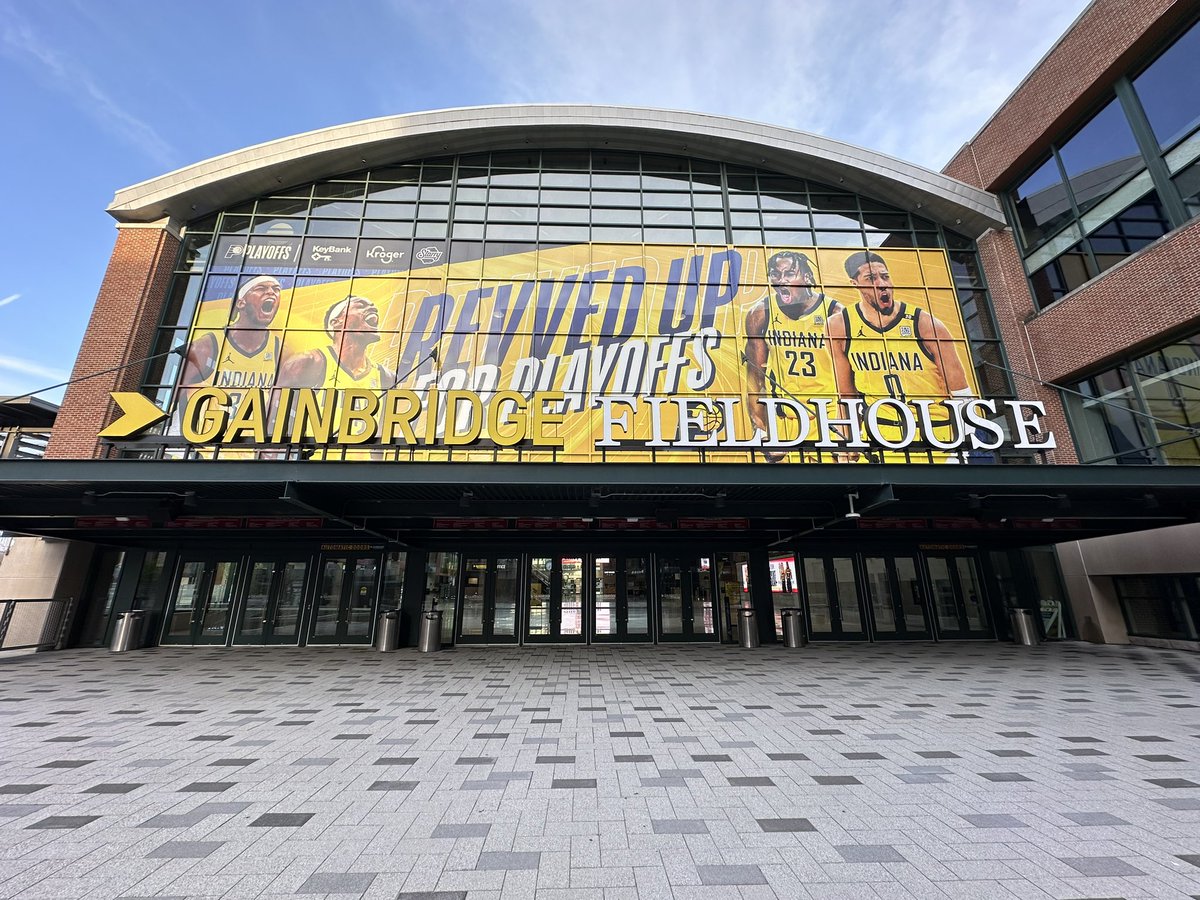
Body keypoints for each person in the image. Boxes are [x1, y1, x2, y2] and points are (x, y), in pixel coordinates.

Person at [827, 250, 972, 455]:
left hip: (938, 438)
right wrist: (847, 442)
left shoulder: (925, 324)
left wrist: (968, 444)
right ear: (855, 283)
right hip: (881, 439)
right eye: (871, 278)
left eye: (885, 276)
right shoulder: (840, 325)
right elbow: (847, 394)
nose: (881, 283)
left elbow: (962, 395)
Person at [744, 250, 841, 462]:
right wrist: (760, 426)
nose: (782, 280)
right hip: (785, 417)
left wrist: (852, 427)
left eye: (789, 273)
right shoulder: (760, 313)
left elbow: (852, 377)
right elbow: (755, 375)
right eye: (776, 275)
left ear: (806, 277)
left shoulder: (834, 313)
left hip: (829, 415)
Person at [179, 275, 284, 394]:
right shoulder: (206, 346)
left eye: (276, 289)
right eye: (261, 288)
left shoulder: (280, 350)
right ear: (240, 303)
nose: (271, 292)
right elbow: (176, 395)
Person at [277, 295, 396, 390]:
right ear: (336, 322)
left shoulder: (386, 377)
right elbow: (273, 414)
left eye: (372, 306)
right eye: (361, 305)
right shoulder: (308, 362)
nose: (373, 308)